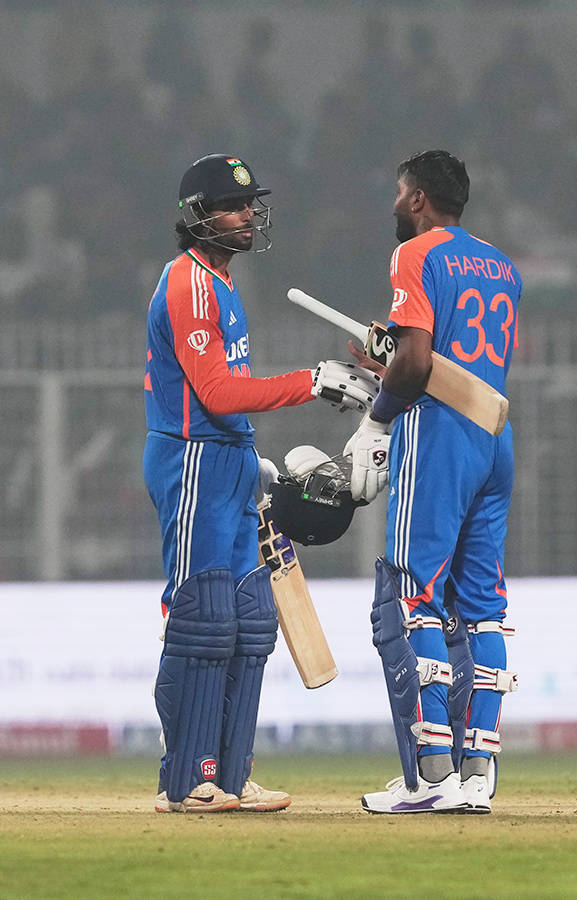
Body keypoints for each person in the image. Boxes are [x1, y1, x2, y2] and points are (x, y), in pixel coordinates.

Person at [144, 153, 372, 812]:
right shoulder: (187, 283)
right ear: (197, 216)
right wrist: (311, 381)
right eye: (232, 205)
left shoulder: (221, 284)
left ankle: (231, 776)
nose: (247, 214)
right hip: (191, 461)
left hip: (229, 459)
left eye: (249, 204)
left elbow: (229, 399)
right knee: (203, 618)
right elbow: (214, 393)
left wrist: (253, 458)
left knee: (249, 623)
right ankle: (187, 781)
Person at [344, 150, 521, 814]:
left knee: (416, 595)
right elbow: (447, 352)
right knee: (485, 604)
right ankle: (477, 773)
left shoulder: (414, 256)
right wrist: (388, 356)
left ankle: (431, 774)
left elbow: (417, 364)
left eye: (398, 193)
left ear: (418, 199)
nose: (395, 204)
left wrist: (377, 416)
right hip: (494, 432)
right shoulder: (502, 265)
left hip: (440, 433)